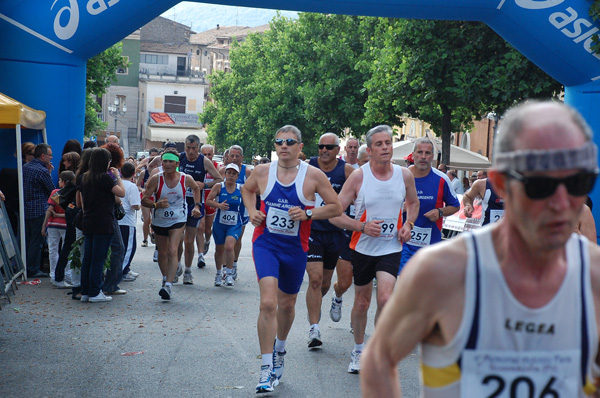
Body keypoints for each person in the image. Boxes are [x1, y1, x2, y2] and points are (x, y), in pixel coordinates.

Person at [360, 100, 600, 397]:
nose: (563, 204)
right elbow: (379, 360)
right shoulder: (442, 271)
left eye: (579, 182)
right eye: (541, 186)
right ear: (500, 182)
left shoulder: (594, 276)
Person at [241, 125, 342, 394]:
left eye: (289, 142)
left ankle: (280, 350)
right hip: (266, 244)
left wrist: (309, 214)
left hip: (296, 249)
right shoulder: (263, 172)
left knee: (286, 305)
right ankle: (265, 368)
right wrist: (252, 211)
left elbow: (336, 207)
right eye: (279, 142)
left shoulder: (314, 176)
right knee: (268, 302)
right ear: (275, 146)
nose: (283, 146)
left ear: (300, 147)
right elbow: (247, 190)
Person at [329, 124, 419, 375]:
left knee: (386, 299)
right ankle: (358, 350)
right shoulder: (359, 176)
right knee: (361, 303)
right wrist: (361, 226)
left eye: (388, 143)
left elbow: (413, 203)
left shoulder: (405, 175)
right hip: (362, 248)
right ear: (369, 150)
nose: (385, 148)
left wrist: (409, 224)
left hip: (391, 247)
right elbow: (334, 214)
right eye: (379, 144)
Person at [305, 132, 355, 348]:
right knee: (315, 280)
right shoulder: (309, 167)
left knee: (337, 283)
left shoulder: (347, 171)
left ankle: (336, 295)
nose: (324, 150)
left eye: (329, 147)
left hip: (338, 233)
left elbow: (363, 192)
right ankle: (314, 328)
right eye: (321, 146)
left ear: (337, 150)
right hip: (313, 230)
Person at [141, 149, 202, 300]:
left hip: (178, 219)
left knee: (172, 250)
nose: (167, 164)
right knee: (162, 253)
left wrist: (196, 206)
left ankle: (168, 285)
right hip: (160, 219)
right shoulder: (156, 179)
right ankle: (165, 277)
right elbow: (144, 200)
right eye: (165, 161)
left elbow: (195, 188)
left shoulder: (185, 178)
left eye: (171, 161)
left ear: (177, 163)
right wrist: (156, 204)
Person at [399, 138, 459, 271]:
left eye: (427, 153)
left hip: (430, 244)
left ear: (432, 157)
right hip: (403, 243)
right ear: (413, 154)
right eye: (419, 152)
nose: (423, 157)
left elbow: (455, 206)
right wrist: (398, 208)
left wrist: (440, 212)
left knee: (424, 289)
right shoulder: (400, 177)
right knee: (406, 285)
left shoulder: (442, 179)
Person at [77, 148, 125, 303]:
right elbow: (121, 193)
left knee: (88, 258)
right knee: (99, 258)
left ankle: (85, 291)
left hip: (88, 220)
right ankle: (95, 292)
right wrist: (117, 176)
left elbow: (82, 203)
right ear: (106, 162)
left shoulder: (84, 177)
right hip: (104, 221)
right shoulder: (105, 178)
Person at [177, 135, 221, 284]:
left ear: (198, 147)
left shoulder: (203, 161)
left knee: (189, 241)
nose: (190, 152)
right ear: (184, 147)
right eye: (188, 148)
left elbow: (219, 178)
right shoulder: (179, 158)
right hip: (178, 203)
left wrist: (204, 185)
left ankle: (188, 272)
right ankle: (177, 265)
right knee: (177, 240)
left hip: (195, 204)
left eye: (193, 148)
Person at [206, 163, 246, 286]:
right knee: (219, 250)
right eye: (229, 173)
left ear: (237, 176)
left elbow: (249, 202)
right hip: (219, 223)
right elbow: (208, 201)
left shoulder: (241, 189)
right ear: (225, 174)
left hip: (235, 223)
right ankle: (218, 273)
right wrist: (219, 205)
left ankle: (229, 274)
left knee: (229, 246)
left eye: (234, 174)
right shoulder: (219, 186)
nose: (231, 176)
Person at [23, 143, 55, 278]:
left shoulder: (26, 167)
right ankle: (33, 269)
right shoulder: (42, 171)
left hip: (25, 208)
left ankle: (26, 266)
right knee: (37, 241)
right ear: (43, 156)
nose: (51, 158)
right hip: (39, 210)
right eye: (50, 155)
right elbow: (52, 191)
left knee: (27, 240)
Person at [42, 170, 74, 288]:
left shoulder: (56, 193)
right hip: (66, 225)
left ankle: (53, 274)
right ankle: (67, 273)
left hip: (52, 225)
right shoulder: (72, 194)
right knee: (67, 250)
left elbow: (49, 210)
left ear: (63, 182)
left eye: (60, 180)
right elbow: (71, 212)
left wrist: (44, 225)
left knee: (53, 249)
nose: (58, 182)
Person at [227, 144, 251, 280]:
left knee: (237, 238)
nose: (235, 158)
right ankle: (226, 266)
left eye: (237, 156)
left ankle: (234, 264)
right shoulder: (224, 170)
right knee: (226, 240)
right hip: (226, 209)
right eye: (232, 155)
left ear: (242, 157)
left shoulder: (247, 171)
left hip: (241, 210)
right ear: (228, 156)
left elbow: (255, 189)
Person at [195, 144, 220, 265]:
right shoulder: (197, 165)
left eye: (209, 154)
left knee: (207, 229)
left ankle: (208, 240)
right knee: (200, 227)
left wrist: (205, 185)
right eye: (204, 154)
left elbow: (221, 181)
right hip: (199, 200)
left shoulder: (217, 167)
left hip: (211, 201)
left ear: (213, 155)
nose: (207, 156)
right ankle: (200, 256)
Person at [118, 162, 141, 282]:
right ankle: (123, 270)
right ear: (134, 173)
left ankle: (125, 269)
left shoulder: (118, 184)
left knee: (120, 247)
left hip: (117, 220)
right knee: (129, 247)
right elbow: (135, 205)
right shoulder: (132, 187)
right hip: (127, 220)